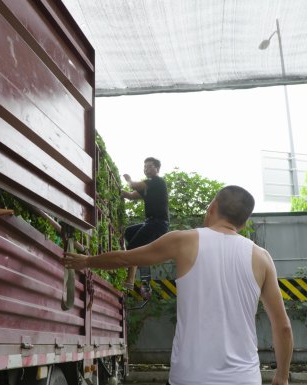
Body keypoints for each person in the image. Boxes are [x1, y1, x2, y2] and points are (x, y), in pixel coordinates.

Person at [61, 186, 293, 385]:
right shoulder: (262, 258)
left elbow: (126, 257)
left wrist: (87, 261)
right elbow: (282, 327)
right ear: (243, 222)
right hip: (245, 378)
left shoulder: (183, 241)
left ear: (212, 207)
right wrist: (281, 377)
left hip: (190, 376)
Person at [120, 157, 169, 291]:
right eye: (145, 167)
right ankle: (137, 259)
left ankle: (130, 281)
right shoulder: (148, 187)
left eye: (149, 166)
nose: (146, 169)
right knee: (129, 232)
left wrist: (129, 179)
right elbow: (131, 195)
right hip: (151, 222)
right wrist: (122, 194)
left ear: (157, 169)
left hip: (158, 223)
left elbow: (134, 185)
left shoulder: (157, 182)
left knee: (133, 248)